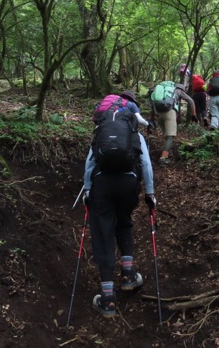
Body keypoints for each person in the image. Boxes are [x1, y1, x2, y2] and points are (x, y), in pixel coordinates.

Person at [83, 90, 156, 317]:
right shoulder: (136, 136)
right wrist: (150, 194)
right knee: (124, 222)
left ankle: (107, 299)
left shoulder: (100, 133)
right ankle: (128, 274)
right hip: (128, 184)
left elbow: (90, 163)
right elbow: (145, 164)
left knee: (103, 232)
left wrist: (87, 188)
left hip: (102, 185)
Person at [149, 80, 196, 166]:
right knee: (170, 136)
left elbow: (152, 104)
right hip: (169, 113)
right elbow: (191, 101)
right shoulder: (178, 90)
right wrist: (194, 115)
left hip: (158, 114)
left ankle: (167, 153)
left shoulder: (159, 90)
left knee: (167, 136)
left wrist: (152, 119)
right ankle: (163, 158)